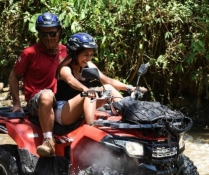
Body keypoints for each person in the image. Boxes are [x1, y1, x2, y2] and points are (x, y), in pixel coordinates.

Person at [54, 32, 147, 126]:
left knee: (108, 88)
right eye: (86, 55)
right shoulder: (65, 69)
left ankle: (131, 114)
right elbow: (71, 81)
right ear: (74, 54)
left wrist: (131, 88)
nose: (89, 58)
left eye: (91, 55)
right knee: (89, 94)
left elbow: (108, 80)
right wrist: (86, 90)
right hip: (63, 112)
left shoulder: (88, 66)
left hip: (83, 106)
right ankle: (92, 125)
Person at [9, 12, 68, 157]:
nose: (48, 38)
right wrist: (17, 102)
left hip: (60, 100)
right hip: (38, 101)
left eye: (52, 33)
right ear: (39, 35)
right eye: (44, 34)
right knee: (46, 95)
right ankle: (48, 140)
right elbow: (13, 75)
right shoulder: (30, 53)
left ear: (59, 32)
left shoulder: (66, 52)